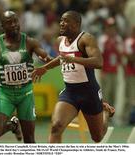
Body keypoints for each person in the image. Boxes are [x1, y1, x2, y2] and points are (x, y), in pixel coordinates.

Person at [32, 10, 115, 143]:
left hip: (89, 92)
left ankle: (105, 112)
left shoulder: (86, 39)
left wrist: (75, 60)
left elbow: (98, 62)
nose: (61, 23)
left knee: (97, 137)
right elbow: (62, 58)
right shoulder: (60, 40)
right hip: (70, 92)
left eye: (66, 21)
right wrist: (45, 68)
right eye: (61, 21)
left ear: (76, 24)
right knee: (56, 127)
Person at [0, 11, 52, 143]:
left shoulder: (30, 42)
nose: (14, 25)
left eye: (16, 21)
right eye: (9, 23)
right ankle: (13, 125)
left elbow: (43, 55)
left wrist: (48, 61)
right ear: (2, 26)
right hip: (5, 93)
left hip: (25, 94)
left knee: (29, 140)